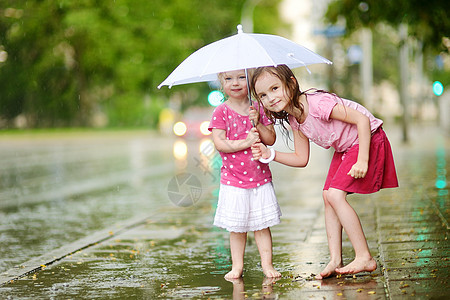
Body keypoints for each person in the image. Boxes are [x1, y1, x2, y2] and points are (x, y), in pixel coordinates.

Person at [250, 65, 398, 279]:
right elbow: (301, 159)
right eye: (263, 95)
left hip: (368, 139)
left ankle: (364, 256)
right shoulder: (295, 120)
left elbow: (362, 120)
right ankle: (335, 259)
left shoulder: (317, 104)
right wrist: (269, 154)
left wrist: (363, 159)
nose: (270, 98)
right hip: (346, 147)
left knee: (336, 195)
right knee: (327, 195)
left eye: (274, 88)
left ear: (291, 83)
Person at [208, 69, 282, 279]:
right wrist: (245, 143)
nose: (236, 83)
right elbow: (219, 142)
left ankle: (267, 265)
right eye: (229, 78)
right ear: (222, 83)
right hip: (233, 180)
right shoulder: (221, 111)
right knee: (237, 227)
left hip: (259, 178)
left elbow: (270, 139)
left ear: (250, 80)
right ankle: (237, 266)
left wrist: (257, 121)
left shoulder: (258, 107)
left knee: (262, 225)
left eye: (241, 77)